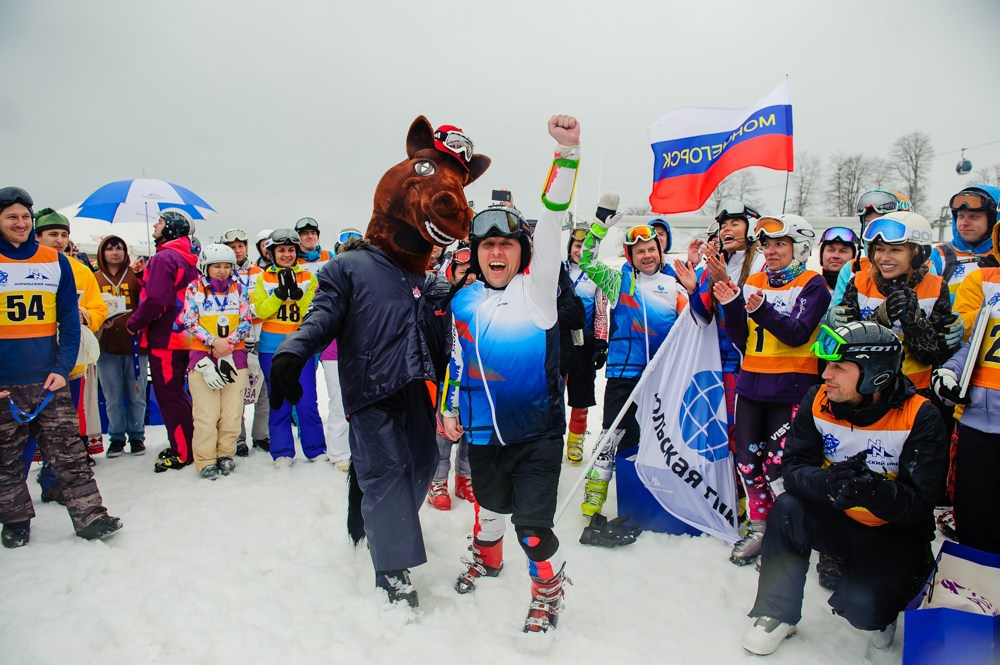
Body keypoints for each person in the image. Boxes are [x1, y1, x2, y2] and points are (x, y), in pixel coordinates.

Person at [267, 116, 491, 607]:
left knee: (422, 460)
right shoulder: (349, 266)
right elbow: (319, 317)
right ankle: (392, 570)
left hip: (416, 390)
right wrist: (290, 353)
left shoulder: (427, 279)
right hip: (370, 392)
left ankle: (380, 521)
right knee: (386, 468)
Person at [442, 115, 579, 634]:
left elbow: (551, 217)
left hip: (537, 433)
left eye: (507, 244)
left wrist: (567, 155)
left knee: (534, 527)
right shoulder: (465, 299)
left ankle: (546, 590)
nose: (496, 251)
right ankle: (489, 558)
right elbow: (457, 361)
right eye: (487, 245)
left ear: (522, 254)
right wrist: (450, 408)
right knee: (490, 506)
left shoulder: (537, 293)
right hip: (482, 433)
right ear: (477, 254)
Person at [743, 321, 946, 657]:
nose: (825, 375)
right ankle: (777, 613)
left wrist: (873, 492)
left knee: (864, 613)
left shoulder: (920, 416)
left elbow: (922, 504)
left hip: (889, 529)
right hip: (834, 513)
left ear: (875, 374)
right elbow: (792, 469)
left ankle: (882, 613)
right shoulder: (818, 399)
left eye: (838, 367)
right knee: (787, 509)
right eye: (827, 365)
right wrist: (829, 482)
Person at [0, 187, 121, 547]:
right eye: (12, 217)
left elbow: (70, 323)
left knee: (70, 454)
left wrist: (62, 366)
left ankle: (90, 517)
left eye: (25, 216)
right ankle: (15, 520)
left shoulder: (56, 263)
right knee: (5, 460)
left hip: (50, 378)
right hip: (6, 382)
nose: (20, 223)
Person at [714, 214, 830, 566]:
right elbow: (741, 338)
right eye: (766, 244)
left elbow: (797, 333)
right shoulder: (754, 280)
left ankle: (786, 532)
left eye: (780, 243)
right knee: (748, 463)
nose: (771, 250)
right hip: (752, 385)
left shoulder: (814, 285)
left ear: (800, 247)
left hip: (791, 389)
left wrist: (762, 310)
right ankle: (760, 527)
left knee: (778, 467)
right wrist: (733, 305)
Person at [577, 219, 688, 516]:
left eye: (651, 249)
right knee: (611, 433)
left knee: (651, 436)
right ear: (630, 256)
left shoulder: (674, 284)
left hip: (661, 374)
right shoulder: (619, 282)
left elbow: (693, 320)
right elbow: (585, 260)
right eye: (639, 252)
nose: (647, 255)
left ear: (661, 250)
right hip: (624, 372)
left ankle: (642, 491)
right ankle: (595, 491)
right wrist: (599, 226)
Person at [29, 209, 108, 502]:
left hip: (70, 363)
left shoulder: (80, 270)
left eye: (64, 235)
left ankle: (54, 480)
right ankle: (13, 495)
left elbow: (99, 310)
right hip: (29, 362)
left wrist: (83, 316)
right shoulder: (20, 267)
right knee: (23, 429)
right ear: (37, 236)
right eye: (53, 235)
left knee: (65, 426)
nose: (59, 240)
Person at [932, 219, 1000, 553]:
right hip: (976, 419)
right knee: (974, 515)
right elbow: (967, 340)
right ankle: (977, 592)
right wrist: (949, 372)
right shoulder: (983, 280)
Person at [839, 212, 958, 392]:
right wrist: (877, 322)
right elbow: (844, 347)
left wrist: (915, 323)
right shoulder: (859, 282)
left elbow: (932, 356)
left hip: (916, 390)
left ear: (917, 253)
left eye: (895, 250)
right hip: (865, 389)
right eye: (879, 249)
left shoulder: (936, 287)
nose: (885, 258)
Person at [126, 209, 199, 472]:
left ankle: (182, 451)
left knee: (170, 396)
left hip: (167, 338)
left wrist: (134, 323)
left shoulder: (164, 257)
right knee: (181, 394)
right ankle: (190, 443)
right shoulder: (188, 256)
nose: (155, 226)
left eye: (160, 222)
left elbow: (157, 300)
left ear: (170, 228)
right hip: (188, 335)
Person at [253, 229, 325, 466]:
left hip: (300, 346)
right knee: (279, 399)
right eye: (281, 250)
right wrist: (279, 296)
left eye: (290, 250)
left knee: (306, 399)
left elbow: (312, 310)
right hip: (271, 346)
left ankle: (315, 449)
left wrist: (297, 294)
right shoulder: (262, 278)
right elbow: (260, 311)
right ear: (272, 252)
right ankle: (282, 451)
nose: (286, 254)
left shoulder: (307, 277)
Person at [183, 244, 252, 480]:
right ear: (205, 267)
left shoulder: (239, 288)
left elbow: (246, 319)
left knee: (232, 412)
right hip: (203, 358)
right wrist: (213, 342)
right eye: (216, 266)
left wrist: (229, 342)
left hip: (235, 357)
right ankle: (205, 459)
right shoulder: (194, 289)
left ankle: (225, 454)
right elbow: (190, 320)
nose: (222, 271)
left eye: (226, 266)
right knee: (206, 413)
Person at [427, 243, 475, 510]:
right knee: (443, 434)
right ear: (451, 272)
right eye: (462, 271)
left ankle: (464, 479)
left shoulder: (485, 301)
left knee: (470, 433)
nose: (468, 277)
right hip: (444, 378)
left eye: (473, 272)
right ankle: (437, 483)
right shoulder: (439, 300)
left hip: (476, 380)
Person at [563, 213, 610, 464]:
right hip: (558, 341)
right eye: (578, 245)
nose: (581, 250)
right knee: (553, 393)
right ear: (570, 247)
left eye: (587, 246)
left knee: (581, 396)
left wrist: (601, 342)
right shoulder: (558, 269)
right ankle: (552, 436)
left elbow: (602, 311)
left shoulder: (598, 274)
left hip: (584, 342)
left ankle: (576, 439)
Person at [94, 235, 147, 457]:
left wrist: (144, 274)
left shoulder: (135, 276)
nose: (115, 252)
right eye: (109, 249)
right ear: (102, 253)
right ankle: (116, 438)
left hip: (135, 345)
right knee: (112, 395)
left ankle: (137, 436)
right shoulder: (94, 278)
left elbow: (148, 300)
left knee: (137, 393)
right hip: (106, 346)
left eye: (119, 248)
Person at [828, 189, 913, 315]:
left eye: (884, 226)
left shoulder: (925, 269)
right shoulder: (852, 269)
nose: (876, 235)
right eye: (868, 225)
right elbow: (838, 306)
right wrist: (834, 316)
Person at [221, 228, 264, 457]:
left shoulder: (258, 272)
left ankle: (261, 435)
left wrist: (246, 309)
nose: (237, 251)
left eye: (240, 246)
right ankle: (238, 437)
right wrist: (245, 310)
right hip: (234, 340)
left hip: (257, 336)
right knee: (236, 391)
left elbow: (263, 302)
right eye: (232, 247)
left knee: (262, 390)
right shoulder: (221, 272)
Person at [930, 185, 1000, 302]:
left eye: (973, 217)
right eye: (960, 216)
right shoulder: (940, 256)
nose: (964, 223)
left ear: (994, 219)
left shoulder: (997, 258)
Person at [818, 226, 858, 293]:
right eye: (831, 250)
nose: (836, 256)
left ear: (854, 256)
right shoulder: (810, 286)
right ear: (821, 255)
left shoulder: (862, 290)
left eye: (843, 251)